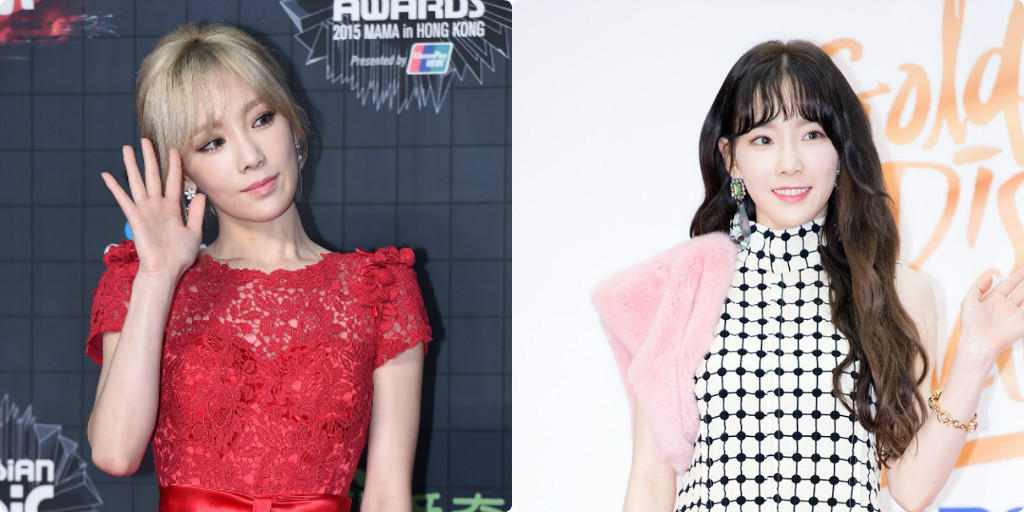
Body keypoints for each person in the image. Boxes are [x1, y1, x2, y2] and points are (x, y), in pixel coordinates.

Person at [593, 40, 1024, 512]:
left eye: (812, 134)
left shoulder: (896, 291)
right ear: (730, 157)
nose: (790, 162)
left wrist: (977, 354)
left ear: (841, 149)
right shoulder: (684, 288)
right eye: (763, 139)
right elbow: (651, 478)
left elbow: (910, 486)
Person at [85, 23, 431, 512]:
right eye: (212, 143)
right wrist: (159, 275)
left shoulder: (379, 289)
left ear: (293, 125)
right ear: (183, 172)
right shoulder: (141, 279)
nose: (251, 157)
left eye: (262, 118)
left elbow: (388, 496)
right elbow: (115, 453)